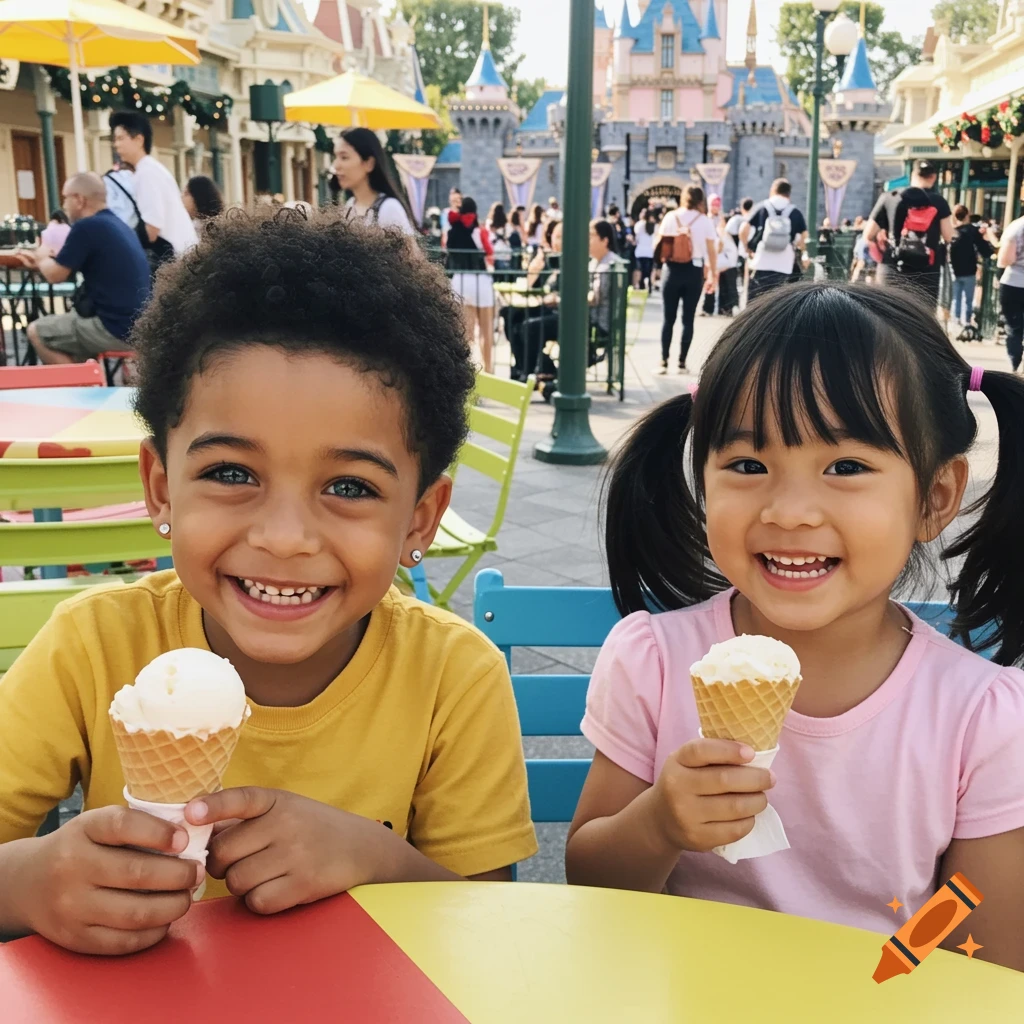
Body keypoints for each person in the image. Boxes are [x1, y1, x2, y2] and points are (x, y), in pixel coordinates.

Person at [0, 210, 537, 956]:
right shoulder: (92, 648)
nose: (283, 537)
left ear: (420, 519)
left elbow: (489, 932)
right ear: (160, 486)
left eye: (349, 487)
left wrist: (377, 862)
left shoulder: (454, 677)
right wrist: (27, 880)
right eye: (230, 473)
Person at [565, 282, 1024, 972]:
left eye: (846, 467)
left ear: (934, 497)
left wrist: (884, 972)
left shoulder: (977, 719)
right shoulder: (655, 663)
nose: (790, 511)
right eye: (749, 466)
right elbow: (593, 885)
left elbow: (976, 925)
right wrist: (659, 823)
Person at [18, 172, 150, 365]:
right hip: (140, 326)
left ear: (79, 200)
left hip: (115, 329)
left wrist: (41, 255)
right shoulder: (118, 224)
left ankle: (80, 388)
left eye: (66, 198)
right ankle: (89, 382)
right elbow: (66, 266)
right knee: (66, 334)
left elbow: (55, 275)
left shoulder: (86, 227)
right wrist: (43, 264)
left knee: (37, 331)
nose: (63, 205)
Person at [109, 111, 198, 263]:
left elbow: (152, 228)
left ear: (139, 140)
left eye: (121, 138)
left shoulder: (146, 173)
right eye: (115, 139)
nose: (116, 144)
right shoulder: (151, 169)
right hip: (183, 258)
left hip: (176, 261)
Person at [865, 160, 954, 309]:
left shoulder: (889, 197)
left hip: (892, 267)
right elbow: (948, 236)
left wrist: (882, 253)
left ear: (913, 175)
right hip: (926, 270)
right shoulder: (939, 202)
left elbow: (868, 234)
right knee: (922, 319)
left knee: (889, 316)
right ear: (933, 177)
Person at [653, 184, 719, 374]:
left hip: (671, 270)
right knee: (688, 319)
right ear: (700, 201)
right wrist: (713, 274)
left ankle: (664, 361)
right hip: (694, 271)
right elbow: (712, 251)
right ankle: (682, 363)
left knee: (668, 318)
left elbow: (658, 245)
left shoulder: (670, 217)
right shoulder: (705, 221)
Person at [445, 196, 495, 373]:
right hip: (480, 279)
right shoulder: (479, 231)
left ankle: (468, 373)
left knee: (466, 334)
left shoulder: (452, 231)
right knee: (486, 331)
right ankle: (489, 371)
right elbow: (489, 252)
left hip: (460, 281)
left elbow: (448, 253)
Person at [333, 128, 414, 235]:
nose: (336, 165)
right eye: (336, 157)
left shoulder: (389, 208)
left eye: (344, 157)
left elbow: (407, 251)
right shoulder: (350, 205)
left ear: (369, 163)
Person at [746, 179, 807, 301]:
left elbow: (743, 229)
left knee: (755, 301)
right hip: (784, 263)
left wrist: (746, 248)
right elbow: (804, 237)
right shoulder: (795, 211)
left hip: (762, 260)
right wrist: (801, 249)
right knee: (776, 302)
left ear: (773, 190)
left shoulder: (762, 207)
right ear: (789, 194)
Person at [949, 204, 993, 337]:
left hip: (955, 269)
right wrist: (990, 252)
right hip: (969, 269)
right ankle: (966, 322)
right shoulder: (972, 231)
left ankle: (955, 320)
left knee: (956, 298)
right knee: (968, 298)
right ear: (967, 215)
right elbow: (983, 248)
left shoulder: (953, 231)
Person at [998, 212, 1024, 373]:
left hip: (1013, 282)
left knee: (1013, 326)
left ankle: (1015, 363)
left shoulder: (1016, 227)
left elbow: (1005, 259)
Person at [486, 202, 514, 278]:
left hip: (494, 250)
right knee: (505, 273)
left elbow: (488, 237)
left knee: (495, 273)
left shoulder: (489, 224)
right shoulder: (507, 225)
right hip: (505, 250)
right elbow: (509, 234)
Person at [633, 209, 657, 293]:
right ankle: (649, 284)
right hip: (650, 251)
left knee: (641, 269)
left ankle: (642, 284)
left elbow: (636, 238)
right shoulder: (654, 226)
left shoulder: (639, 225)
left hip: (640, 251)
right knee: (649, 270)